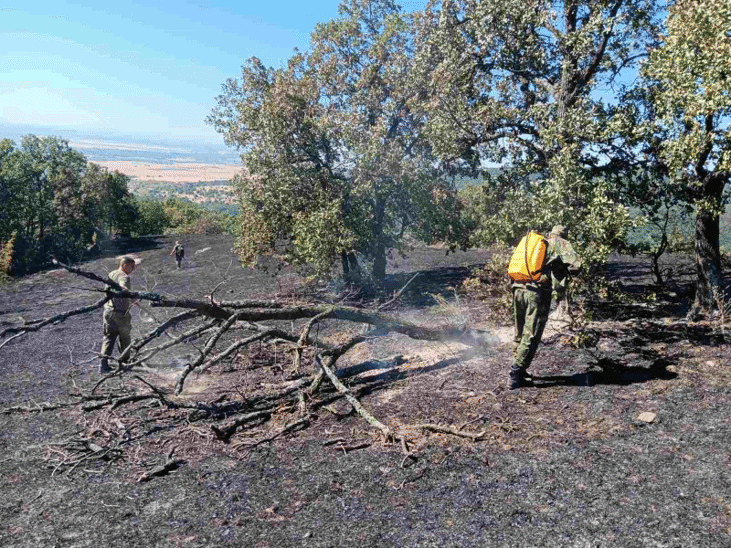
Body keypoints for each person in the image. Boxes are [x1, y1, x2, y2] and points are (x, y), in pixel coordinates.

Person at [509, 225, 582, 389]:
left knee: (519, 331)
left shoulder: (538, 242)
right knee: (532, 333)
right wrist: (563, 272)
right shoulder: (560, 243)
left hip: (518, 288)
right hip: (536, 292)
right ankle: (516, 372)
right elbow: (576, 265)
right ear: (563, 234)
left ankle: (520, 369)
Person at [100, 256, 137, 374]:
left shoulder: (112, 274)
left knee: (108, 338)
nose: (133, 269)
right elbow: (123, 286)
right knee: (125, 338)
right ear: (125, 265)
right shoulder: (124, 276)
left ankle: (103, 365)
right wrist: (127, 291)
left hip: (108, 311)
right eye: (132, 266)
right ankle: (125, 363)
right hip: (121, 313)